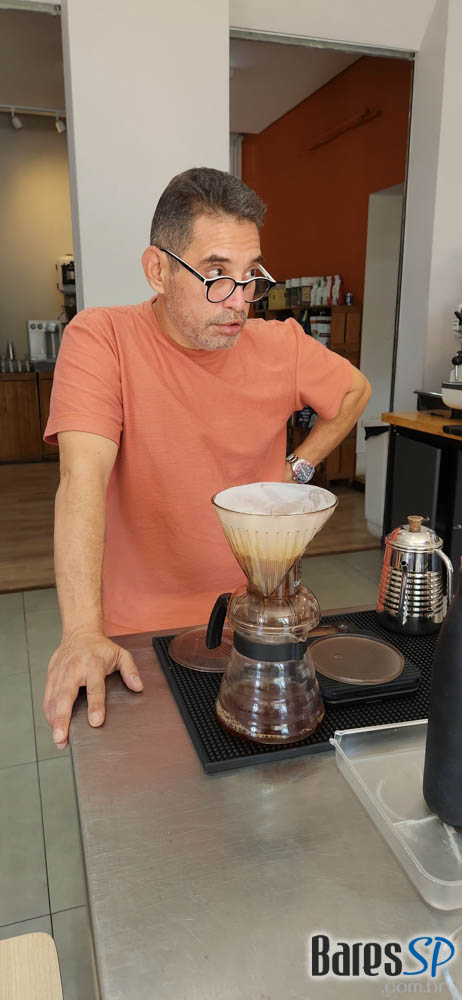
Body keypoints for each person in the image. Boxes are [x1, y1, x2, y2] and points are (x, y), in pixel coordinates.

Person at [43, 167, 371, 750]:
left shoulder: (280, 344)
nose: (240, 301)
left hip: (259, 622)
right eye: (217, 275)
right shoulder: (103, 338)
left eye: (251, 276)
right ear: (158, 269)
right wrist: (80, 633)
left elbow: (354, 392)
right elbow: (80, 480)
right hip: (136, 632)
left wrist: (295, 470)